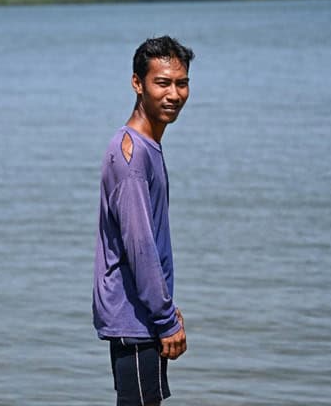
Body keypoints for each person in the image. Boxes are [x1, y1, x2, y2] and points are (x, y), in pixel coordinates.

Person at [92, 35, 194, 406]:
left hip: (144, 314)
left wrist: (163, 307)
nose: (173, 94)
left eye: (181, 83)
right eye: (162, 82)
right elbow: (140, 248)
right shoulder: (132, 156)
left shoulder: (148, 145)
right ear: (138, 83)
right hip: (133, 320)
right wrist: (165, 319)